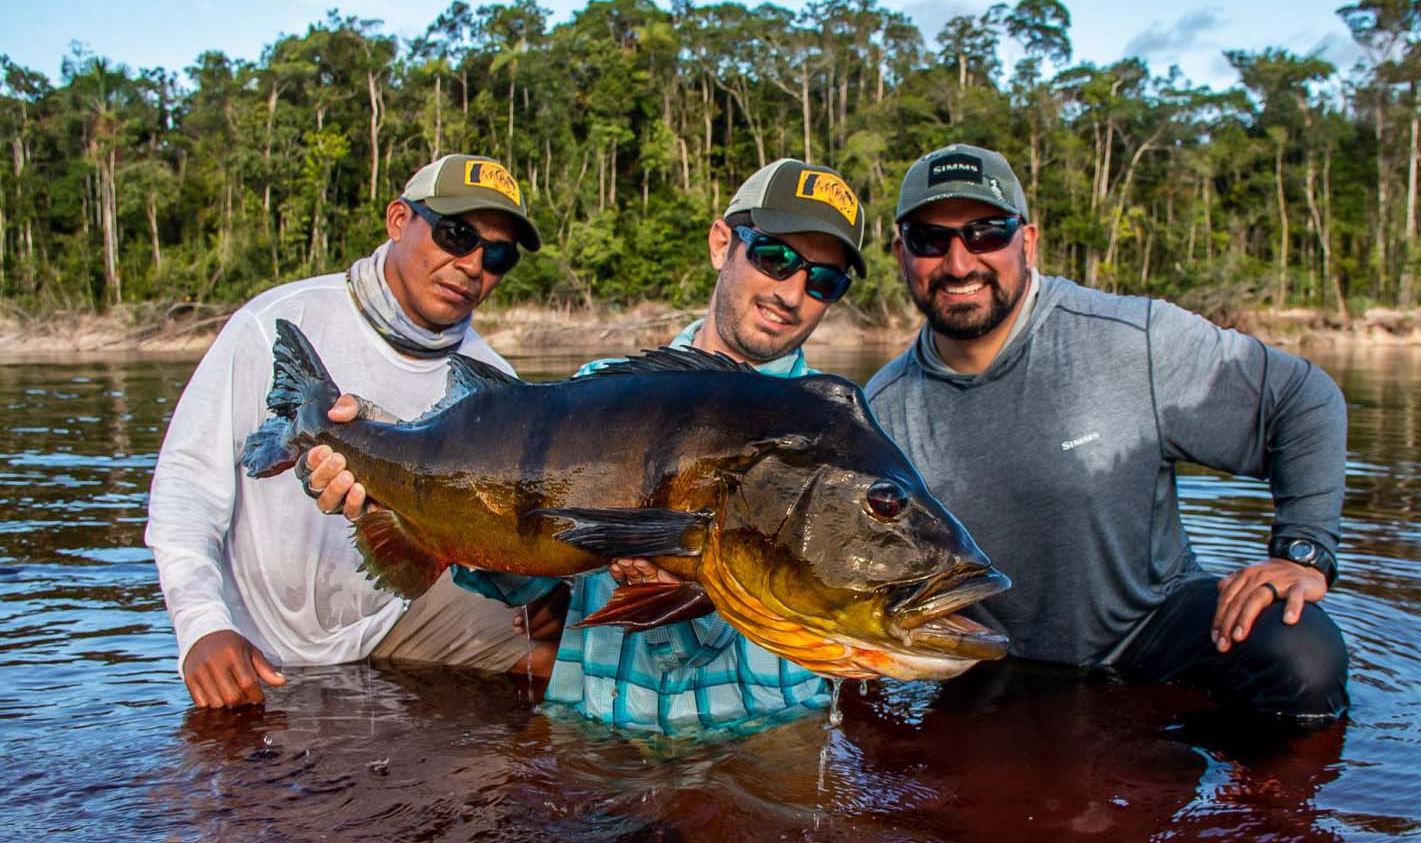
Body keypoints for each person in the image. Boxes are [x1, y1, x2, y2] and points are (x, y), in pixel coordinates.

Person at [307, 158, 868, 734]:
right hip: (601, 725)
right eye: (774, 257)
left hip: (765, 732)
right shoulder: (599, 388)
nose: (793, 292)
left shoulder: (840, 446)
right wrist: (398, 500)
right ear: (722, 243)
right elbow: (522, 576)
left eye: (825, 280)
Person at [864, 143, 1349, 722]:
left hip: (1152, 629)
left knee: (1304, 657)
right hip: (991, 666)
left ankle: (1263, 803)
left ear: (1028, 240)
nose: (960, 262)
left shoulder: (1132, 340)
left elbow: (1303, 400)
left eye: (987, 233)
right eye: (929, 240)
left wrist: (1304, 553)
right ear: (901, 254)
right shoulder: (879, 410)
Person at [147, 154, 542, 710]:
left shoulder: (496, 383)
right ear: (399, 221)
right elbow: (185, 489)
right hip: (261, 629)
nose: (473, 264)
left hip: (400, 613)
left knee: (553, 656)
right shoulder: (274, 325)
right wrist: (201, 627)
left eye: (498, 254)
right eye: (456, 235)